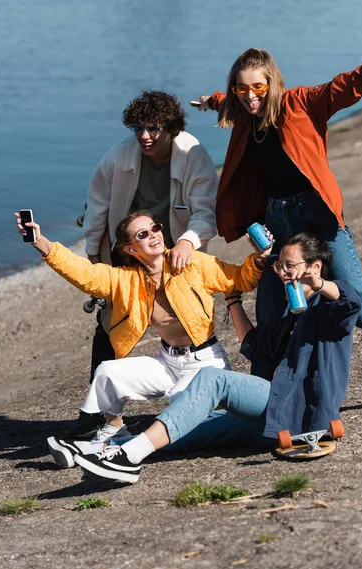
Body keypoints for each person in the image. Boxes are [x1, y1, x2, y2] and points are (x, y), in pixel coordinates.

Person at [53, 232, 362, 484]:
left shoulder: (330, 308)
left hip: (301, 411)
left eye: (289, 266)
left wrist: (318, 285)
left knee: (211, 379)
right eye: (279, 267)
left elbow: (351, 302)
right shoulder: (289, 311)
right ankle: (99, 450)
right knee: (194, 423)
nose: (282, 273)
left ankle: (128, 458)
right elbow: (255, 346)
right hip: (276, 415)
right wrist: (231, 298)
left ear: (315, 266)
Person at [194, 49, 362, 375]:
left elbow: (341, 88)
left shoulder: (300, 103)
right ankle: (267, 391)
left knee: (360, 304)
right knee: (272, 310)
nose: (250, 95)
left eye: (258, 87)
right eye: (241, 88)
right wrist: (211, 100)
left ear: (272, 83)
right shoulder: (244, 112)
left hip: (319, 217)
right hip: (277, 220)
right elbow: (228, 102)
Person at [15, 210, 268, 458]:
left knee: (183, 417)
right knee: (107, 371)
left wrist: (259, 258)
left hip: (205, 363)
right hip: (167, 362)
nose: (154, 235)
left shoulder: (194, 264)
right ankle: (113, 429)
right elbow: (86, 274)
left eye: (155, 228)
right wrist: (41, 242)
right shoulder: (126, 280)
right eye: (143, 234)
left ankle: (114, 449)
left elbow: (240, 280)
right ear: (130, 249)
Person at [77, 90, 219, 437]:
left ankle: (197, 394)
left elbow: (206, 211)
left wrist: (188, 241)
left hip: (177, 250)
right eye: (136, 127)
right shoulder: (119, 156)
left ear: (171, 127)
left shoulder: (193, 154)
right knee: (111, 323)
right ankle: (98, 418)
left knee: (184, 317)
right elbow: (97, 207)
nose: (144, 136)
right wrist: (95, 253)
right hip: (131, 248)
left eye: (153, 128)